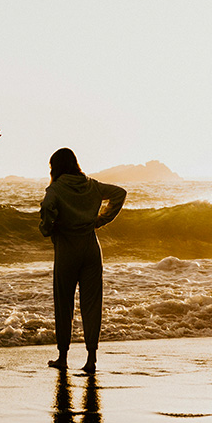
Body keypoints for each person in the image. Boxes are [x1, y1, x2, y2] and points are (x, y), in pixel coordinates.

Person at [39, 148, 126, 373]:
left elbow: (47, 207)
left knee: (64, 304)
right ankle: (91, 359)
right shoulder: (91, 185)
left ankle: (63, 357)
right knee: (92, 304)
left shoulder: (56, 189)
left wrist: (47, 227)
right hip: (91, 248)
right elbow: (119, 193)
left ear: (56, 167)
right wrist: (100, 220)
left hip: (67, 250)